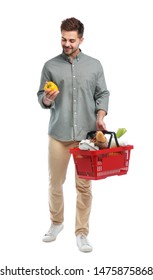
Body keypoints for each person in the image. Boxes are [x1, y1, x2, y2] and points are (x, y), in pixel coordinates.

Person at [37, 17, 110, 253]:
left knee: (84, 187)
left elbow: (103, 93)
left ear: (81, 39)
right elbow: (41, 96)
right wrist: (46, 100)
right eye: (63, 38)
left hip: (86, 138)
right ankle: (56, 223)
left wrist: (100, 115)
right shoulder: (50, 66)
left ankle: (82, 233)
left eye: (71, 40)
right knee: (55, 184)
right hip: (58, 134)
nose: (66, 43)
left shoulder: (95, 65)